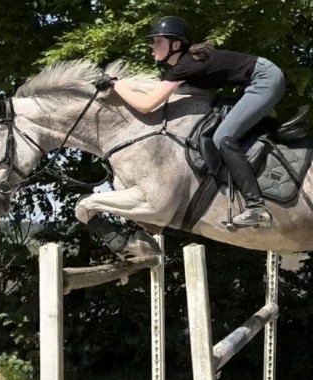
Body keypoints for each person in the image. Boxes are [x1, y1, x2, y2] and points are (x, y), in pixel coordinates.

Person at [95, 16, 286, 227]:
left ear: (176, 44)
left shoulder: (184, 67)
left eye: (158, 41)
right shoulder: (182, 67)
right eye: (153, 41)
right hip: (254, 80)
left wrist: (114, 84)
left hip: (264, 79)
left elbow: (145, 105)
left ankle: (256, 207)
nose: (152, 46)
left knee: (223, 137)